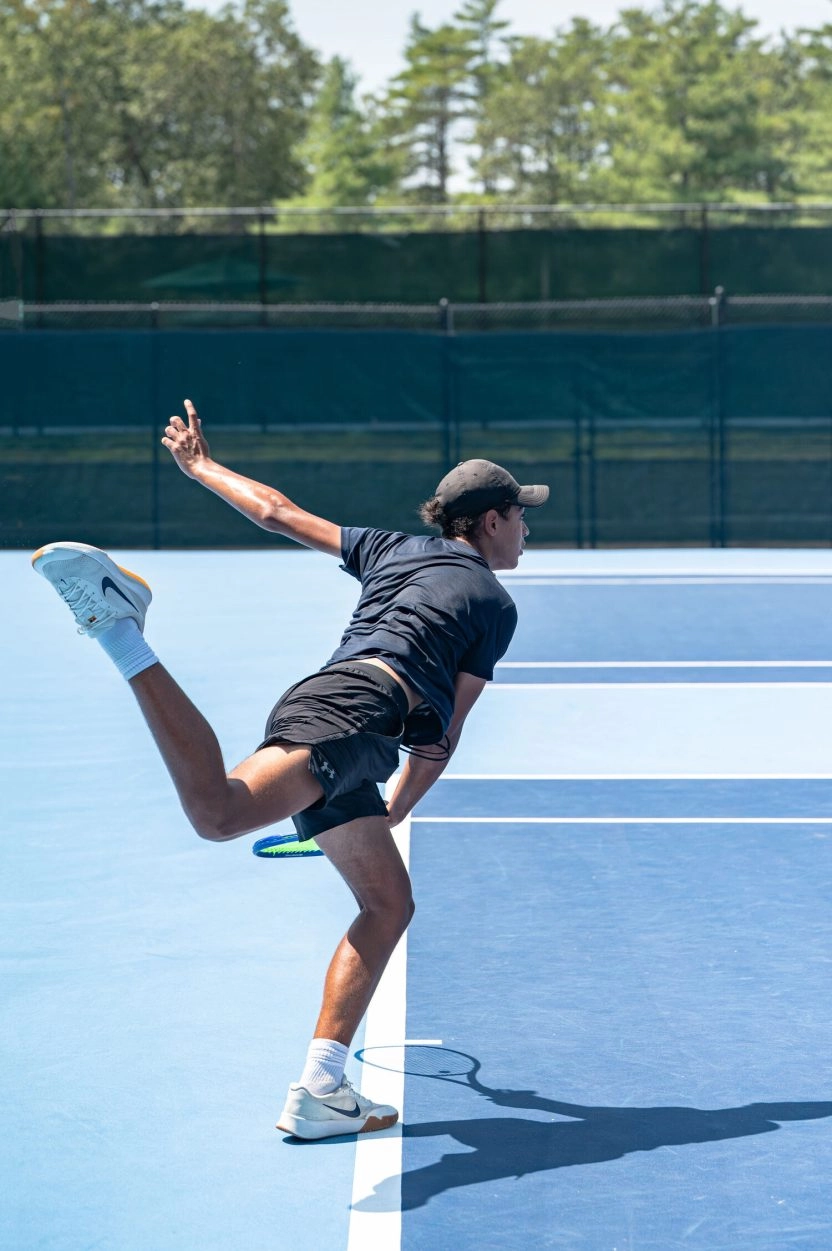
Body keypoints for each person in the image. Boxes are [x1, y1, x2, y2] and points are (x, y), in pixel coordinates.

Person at [31, 398, 549, 1141]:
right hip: (358, 713)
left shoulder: (392, 548)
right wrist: (400, 804)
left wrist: (202, 466)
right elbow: (443, 737)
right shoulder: (494, 605)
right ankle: (120, 629)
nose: (528, 528)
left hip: (344, 712)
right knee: (218, 813)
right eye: (520, 515)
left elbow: (277, 512)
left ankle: (321, 1090)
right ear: (490, 520)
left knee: (388, 904)